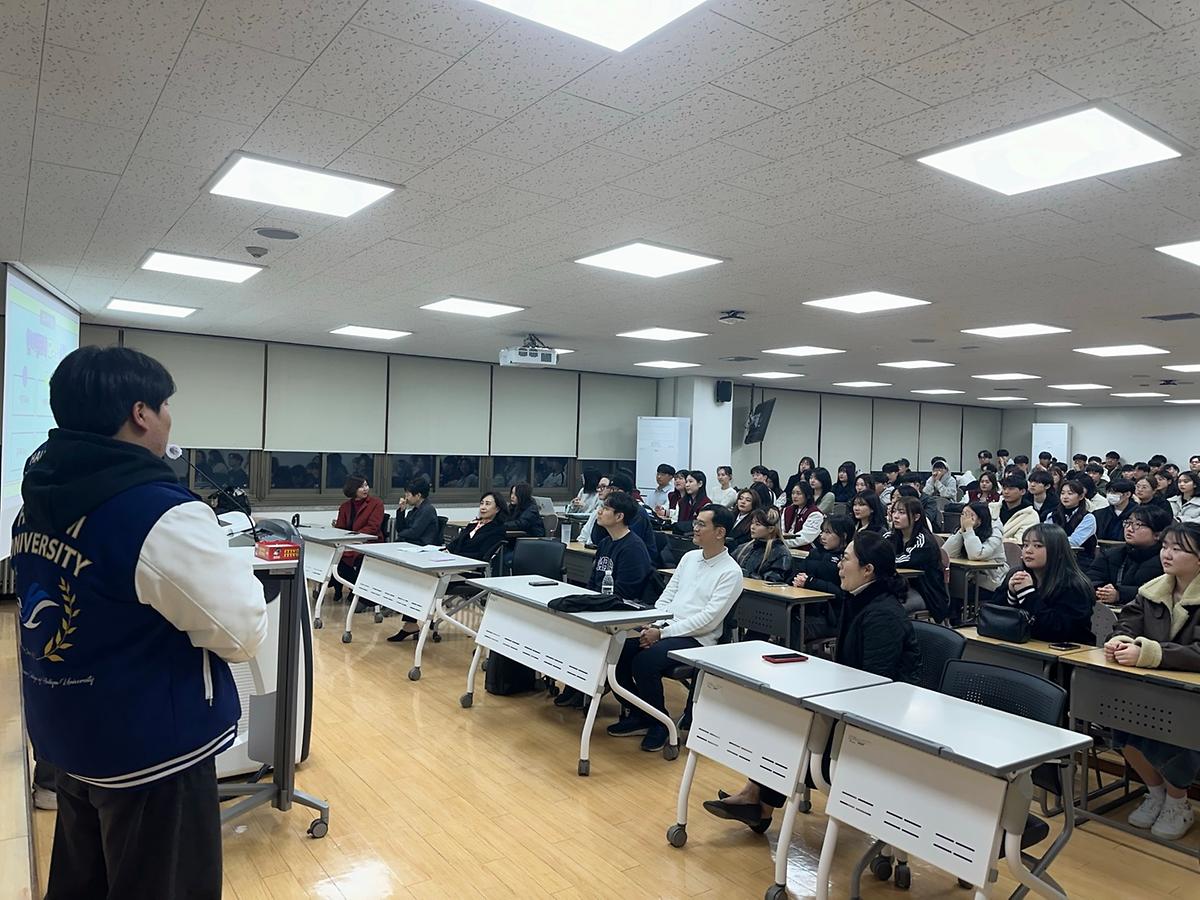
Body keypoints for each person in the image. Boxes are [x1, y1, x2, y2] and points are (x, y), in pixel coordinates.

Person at [13, 346, 267, 899]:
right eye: (166, 405)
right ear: (141, 413)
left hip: (70, 732)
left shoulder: (36, 498)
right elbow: (242, 631)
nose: (170, 417)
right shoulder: (158, 512)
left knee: (83, 882)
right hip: (153, 750)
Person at [703, 530, 920, 829]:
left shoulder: (882, 615)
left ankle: (758, 803)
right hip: (852, 704)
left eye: (845, 559)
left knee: (790, 732)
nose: (839, 566)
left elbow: (875, 686)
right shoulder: (860, 599)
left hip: (875, 723)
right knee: (784, 720)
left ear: (868, 569)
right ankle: (756, 800)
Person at [607, 505, 742, 752]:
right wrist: (656, 623)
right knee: (617, 653)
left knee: (645, 662)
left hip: (698, 640)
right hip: (666, 628)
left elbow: (709, 620)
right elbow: (667, 596)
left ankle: (661, 725)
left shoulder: (731, 572)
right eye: (696, 522)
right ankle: (642, 715)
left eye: (701, 524)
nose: (695, 528)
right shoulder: (689, 557)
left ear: (720, 532)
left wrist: (662, 633)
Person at [1105, 522, 1200, 840]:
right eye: (1165, 547)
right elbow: (1127, 622)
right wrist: (1120, 641)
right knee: (1120, 726)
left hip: (1190, 694)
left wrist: (1150, 653)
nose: (1167, 554)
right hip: (1149, 684)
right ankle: (1156, 792)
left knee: (1171, 731)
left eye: (1178, 549)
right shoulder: (1153, 589)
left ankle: (1178, 802)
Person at [1000, 524, 1094, 643]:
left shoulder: (1073, 585)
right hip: (1023, 645)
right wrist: (1011, 594)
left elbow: (1058, 631)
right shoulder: (1018, 575)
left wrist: (1027, 594)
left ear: (1058, 551)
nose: (1028, 550)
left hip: (1064, 650)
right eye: (1025, 545)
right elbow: (994, 617)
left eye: (1038, 546)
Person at [385, 476, 442, 641]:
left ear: (418, 495)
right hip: (413, 550)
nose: (406, 497)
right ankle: (409, 622)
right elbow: (402, 528)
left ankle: (410, 622)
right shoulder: (415, 510)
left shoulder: (428, 510)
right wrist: (401, 511)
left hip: (424, 553)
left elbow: (414, 533)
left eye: (408, 494)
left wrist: (402, 536)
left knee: (407, 582)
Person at [1087, 504, 1169, 606]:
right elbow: (1091, 579)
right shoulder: (1111, 554)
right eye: (1128, 523)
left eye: (1138, 525)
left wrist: (1120, 594)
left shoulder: (1166, 560)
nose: (1129, 529)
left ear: (1158, 534)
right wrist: (1104, 591)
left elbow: (1159, 591)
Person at [887, 496, 953, 624]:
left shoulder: (924, 541)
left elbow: (907, 559)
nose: (895, 516)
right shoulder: (891, 536)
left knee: (889, 608)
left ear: (916, 517)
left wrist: (884, 561)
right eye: (894, 511)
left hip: (926, 593)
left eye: (901, 512)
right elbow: (878, 552)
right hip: (901, 587)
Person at [790, 515, 856, 641]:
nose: (822, 536)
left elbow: (841, 593)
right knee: (780, 618)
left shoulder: (848, 560)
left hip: (830, 618)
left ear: (843, 536)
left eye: (828, 532)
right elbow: (797, 573)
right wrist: (797, 580)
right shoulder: (815, 553)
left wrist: (810, 582)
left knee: (793, 627)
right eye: (822, 532)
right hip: (806, 609)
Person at [587, 491, 654, 599]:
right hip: (598, 600)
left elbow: (625, 592)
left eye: (606, 509)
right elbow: (592, 582)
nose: (599, 512)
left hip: (617, 603)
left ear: (619, 516)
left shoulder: (633, 548)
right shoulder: (604, 543)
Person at [331, 475, 385, 604]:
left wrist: (355, 536)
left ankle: (358, 592)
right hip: (349, 543)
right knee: (335, 557)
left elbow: (373, 527)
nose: (365, 489)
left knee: (350, 557)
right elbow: (340, 528)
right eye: (361, 486)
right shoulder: (345, 506)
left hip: (369, 543)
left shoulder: (376, 504)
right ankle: (352, 588)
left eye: (366, 485)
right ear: (353, 489)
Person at [942, 501, 1007, 603]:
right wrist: (961, 531)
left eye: (970, 515)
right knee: (946, 590)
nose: (965, 518)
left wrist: (969, 529)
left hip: (991, 581)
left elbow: (977, 555)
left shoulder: (995, 532)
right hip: (969, 578)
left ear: (980, 519)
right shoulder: (965, 530)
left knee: (956, 593)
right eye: (963, 514)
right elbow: (947, 553)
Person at [446, 491, 509, 563]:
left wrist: (455, 556)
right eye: (482, 503)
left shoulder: (497, 529)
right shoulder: (473, 524)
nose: (483, 507)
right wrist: (447, 550)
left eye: (487, 504)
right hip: (456, 560)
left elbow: (481, 555)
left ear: (497, 509)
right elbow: (458, 541)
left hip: (471, 564)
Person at [734, 507, 792, 583]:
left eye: (757, 524)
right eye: (752, 523)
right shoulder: (743, 547)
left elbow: (772, 581)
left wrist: (746, 574)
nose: (752, 527)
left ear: (770, 529)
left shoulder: (781, 553)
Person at [1051, 480, 1097, 557]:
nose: (1065, 497)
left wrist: (1051, 543)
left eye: (1070, 493)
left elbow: (1075, 542)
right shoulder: (1052, 515)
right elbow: (1045, 536)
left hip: (1081, 558)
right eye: (1062, 493)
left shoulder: (1088, 518)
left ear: (1081, 496)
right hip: (1055, 556)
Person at [992, 473, 1039, 543]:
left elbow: (1020, 541)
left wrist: (993, 541)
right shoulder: (992, 508)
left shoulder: (1031, 515)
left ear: (1022, 491)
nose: (1006, 492)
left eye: (1011, 489)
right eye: (1004, 488)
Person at [782, 480, 824, 549]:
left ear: (807, 495)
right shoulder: (787, 510)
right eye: (793, 493)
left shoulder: (816, 514)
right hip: (785, 547)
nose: (794, 496)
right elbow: (781, 531)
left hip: (805, 550)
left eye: (798, 494)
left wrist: (781, 542)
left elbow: (804, 538)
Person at [576, 475, 612, 544]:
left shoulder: (613, 514)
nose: (599, 490)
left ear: (613, 489)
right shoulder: (596, 512)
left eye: (603, 486)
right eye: (598, 487)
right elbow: (582, 537)